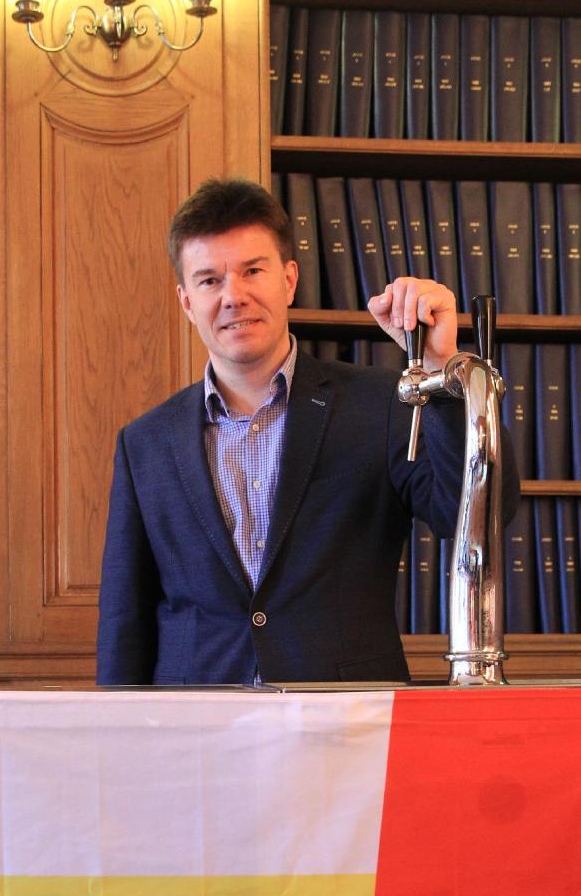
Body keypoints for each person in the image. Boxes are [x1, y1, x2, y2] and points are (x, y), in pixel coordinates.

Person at [96, 176, 519, 685]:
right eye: (209, 280)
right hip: (196, 730)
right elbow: (126, 616)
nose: (233, 296)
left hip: (348, 721)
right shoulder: (145, 442)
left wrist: (443, 367)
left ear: (289, 279)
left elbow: (472, 512)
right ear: (187, 301)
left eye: (253, 270)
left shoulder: (382, 404)